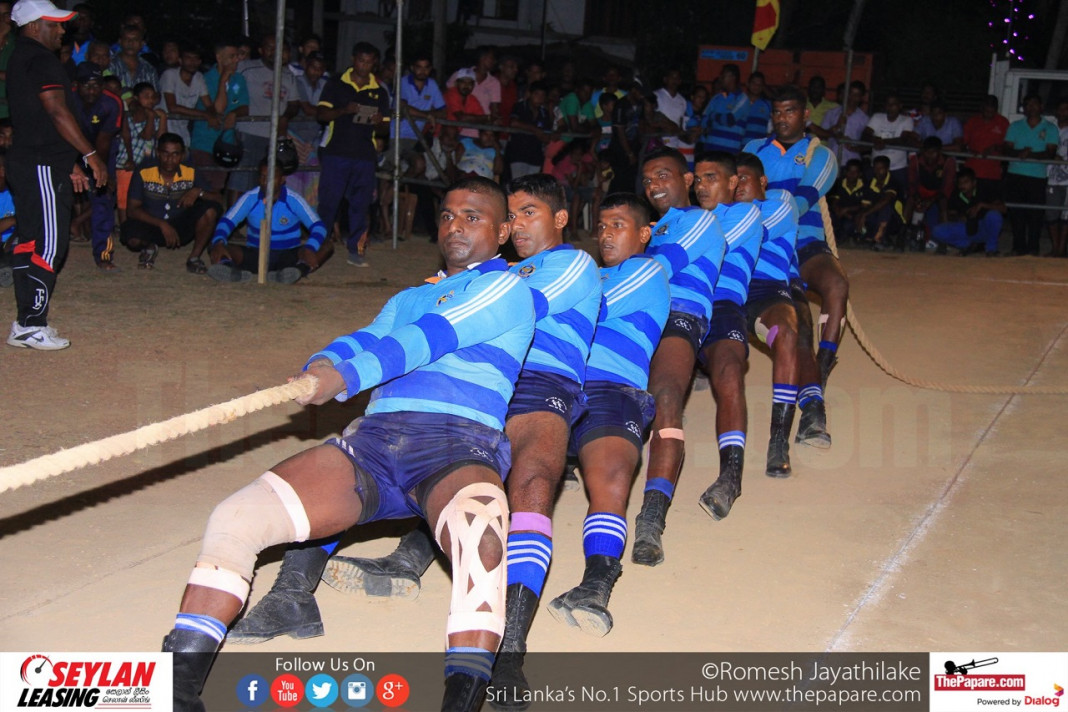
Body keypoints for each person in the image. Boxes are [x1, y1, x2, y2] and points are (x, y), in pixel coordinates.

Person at [162, 176, 535, 712]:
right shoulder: (410, 295)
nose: (456, 225)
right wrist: (322, 363)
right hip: (374, 442)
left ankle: (462, 699)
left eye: (473, 217)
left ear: (502, 231)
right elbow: (368, 336)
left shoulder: (507, 288)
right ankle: (178, 686)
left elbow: (425, 340)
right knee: (236, 516)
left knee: (480, 533)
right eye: (449, 215)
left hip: (457, 444)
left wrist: (347, 378)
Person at [546, 192, 670, 635]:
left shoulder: (646, 271)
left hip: (610, 387)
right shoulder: (589, 274)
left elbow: (585, 311)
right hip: (556, 386)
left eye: (618, 224)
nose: (605, 233)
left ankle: (596, 583)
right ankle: (412, 554)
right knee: (478, 458)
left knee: (611, 476)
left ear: (643, 234)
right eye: (601, 226)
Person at [630, 146, 726, 566]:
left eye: (663, 175)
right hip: (636, 315)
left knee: (666, 397)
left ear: (687, 180)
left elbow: (657, 271)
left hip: (679, 315)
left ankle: (652, 519)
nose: (654, 186)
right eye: (648, 180)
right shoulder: (647, 229)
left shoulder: (699, 220)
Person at [744, 85, 842, 448]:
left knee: (836, 286)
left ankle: (823, 366)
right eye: (777, 112)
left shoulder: (821, 155)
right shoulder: (753, 150)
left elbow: (800, 202)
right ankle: (811, 399)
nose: (782, 119)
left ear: (805, 116)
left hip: (805, 241)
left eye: (789, 112)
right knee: (795, 318)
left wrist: (760, 219)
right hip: (765, 247)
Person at [6, 0, 106, 350]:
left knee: (31, 241)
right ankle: (32, 323)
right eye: (56, 24)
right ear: (35, 26)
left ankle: (25, 323)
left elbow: (40, 123)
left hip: (31, 160)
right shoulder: (41, 59)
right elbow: (56, 111)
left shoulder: (21, 56)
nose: (63, 31)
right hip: (42, 165)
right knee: (50, 245)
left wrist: (70, 162)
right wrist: (90, 155)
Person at [688, 152, 766, 499]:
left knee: (730, 371)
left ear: (734, 183)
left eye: (711, 177)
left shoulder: (744, 213)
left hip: (721, 305)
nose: (702, 185)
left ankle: (730, 475)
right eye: (698, 178)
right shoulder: (686, 218)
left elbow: (706, 245)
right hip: (683, 307)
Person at [730, 151, 804, 494]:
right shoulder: (720, 213)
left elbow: (747, 232)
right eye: (731, 179)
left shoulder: (779, 206)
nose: (736, 184)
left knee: (785, 334)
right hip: (726, 297)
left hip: (764, 296)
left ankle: (779, 440)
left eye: (743, 177)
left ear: (762, 182)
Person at [316, 41, 389, 267]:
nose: (364, 66)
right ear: (353, 60)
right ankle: (318, 246)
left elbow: (386, 129)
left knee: (361, 204)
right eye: (361, 61)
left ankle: (355, 249)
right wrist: (343, 111)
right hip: (336, 152)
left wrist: (378, 123)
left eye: (369, 62)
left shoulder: (379, 90)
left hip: (364, 154)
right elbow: (321, 114)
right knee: (329, 202)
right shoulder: (336, 84)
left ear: (374, 64)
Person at [207, 160, 333, 283]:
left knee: (326, 246)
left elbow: (318, 226)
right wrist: (218, 242)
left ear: (283, 179)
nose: (266, 181)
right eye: (263, 176)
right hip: (256, 254)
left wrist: (310, 247)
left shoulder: (294, 199)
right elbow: (227, 222)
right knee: (216, 244)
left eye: (272, 177)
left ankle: (297, 270)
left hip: (288, 255)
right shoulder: (250, 198)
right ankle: (231, 271)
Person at [119, 133, 222, 272]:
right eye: (165, 153)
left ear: (182, 155)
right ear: (158, 153)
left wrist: (199, 192)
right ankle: (149, 246)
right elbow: (132, 209)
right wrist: (162, 224)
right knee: (130, 234)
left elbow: (218, 199)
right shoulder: (144, 171)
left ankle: (194, 258)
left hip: (180, 225)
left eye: (175, 154)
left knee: (210, 209)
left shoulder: (190, 171)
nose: (170, 159)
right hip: (152, 224)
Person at [233, 35, 298, 201]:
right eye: (270, 47)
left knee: (267, 184)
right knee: (240, 181)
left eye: (278, 48)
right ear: (261, 50)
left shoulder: (288, 75)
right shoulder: (246, 68)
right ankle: (233, 223)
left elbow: (294, 103)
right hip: (249, 133)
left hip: (275, 138)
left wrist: (286, 117)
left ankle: (260, 222)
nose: (274, 52)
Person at [71, 63, 123, 270]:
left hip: (101, 152)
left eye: (96, 85)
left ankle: (103, 254)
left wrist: (100, 172)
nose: (92, 91)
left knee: (104, 199)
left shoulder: (112, 103)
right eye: (87, 86)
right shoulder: (66, 98)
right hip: (68, 150)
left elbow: (104, 140)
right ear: (77, 85)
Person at [189, 39, 249, 194]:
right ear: (219, 58)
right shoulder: (204, 79)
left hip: (226, 143)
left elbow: (244, 106)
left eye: (238, 56)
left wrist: (234, 113)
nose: (237, 60)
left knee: (217, 188)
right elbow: (217, 110)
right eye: (232, 56)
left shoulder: (239, 79)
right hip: (204, 142)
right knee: (204, 189)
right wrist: (223, 81)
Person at [1004, 93, 1058, 256]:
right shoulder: (1015, 126)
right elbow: (1006, 149)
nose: (1031, 107)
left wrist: (1028, 154)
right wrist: (1020, 152)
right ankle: (1018, 247)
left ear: (1041, 107)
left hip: (1037, 177)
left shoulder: (1050, 128)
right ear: (1024, 108)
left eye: (1035, 103)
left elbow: (1050, 153)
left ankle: (1033, 248)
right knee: (1016, 213)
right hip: (1015, 174)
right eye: (1028, 104)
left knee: (1035, 215)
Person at [116, 82, 166, 225]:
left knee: (142, 199)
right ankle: (124, 227)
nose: (150, 100)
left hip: (145, 165)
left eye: (152, 97)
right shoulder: (133, 115)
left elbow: (162, 139)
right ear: (136, 98)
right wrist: (151, 117)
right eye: (146, 97)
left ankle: (136, 227)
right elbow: (147, 135)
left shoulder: (154, 115)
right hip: (127, 164)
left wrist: (163, 119)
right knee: (124, 199)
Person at [931, 167, 1006, 257]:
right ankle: (969, 245)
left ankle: (991, 249)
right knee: (937, 231)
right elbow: (950, 214)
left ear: (974, 182)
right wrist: (960, 217)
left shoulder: (984, 189)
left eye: (966, 182)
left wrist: (982, 205)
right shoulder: (956, 194)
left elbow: (1003, 209)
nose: (962, 185)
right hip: (967, 227)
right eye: (960, 183)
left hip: (984, 227)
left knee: (994, 216)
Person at [902, 136, 956, 250]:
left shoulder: (948, 162)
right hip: (921, 192)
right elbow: (911, 184)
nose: (929, 156)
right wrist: (917, 198)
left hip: (938, 194)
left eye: (933, 152)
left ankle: (943, 242)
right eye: (927, 152)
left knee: (943, 204)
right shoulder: (915, 160)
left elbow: (947, 188)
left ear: (939, 152)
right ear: (923, 151)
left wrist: (931, 200)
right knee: (910, 201)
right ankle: (901, 236)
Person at [159, 43, 212, 150]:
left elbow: (209, 104)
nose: (192, 62)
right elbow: (172, 107)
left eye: (195, 59)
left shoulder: (198, 77)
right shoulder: (169, 75)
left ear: (199, 62)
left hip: (182, 131)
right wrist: (205, 114)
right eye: (188, 58)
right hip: (164, 128)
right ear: (180, 60)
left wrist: (213, 114)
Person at [863, 93, 916, 196]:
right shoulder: (877, 117)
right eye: (888, 104)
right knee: (872, 195)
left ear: (900, 106)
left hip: (897, 168)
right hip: (876, 167)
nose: (890, 107)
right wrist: (876, 140)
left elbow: (904, 139)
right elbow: (865, 134)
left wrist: (882, 142)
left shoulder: (906, 120)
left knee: (899, 196)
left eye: (893, 104)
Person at [962, 95, 1009, 200]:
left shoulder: (1003, 122)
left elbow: (1008, 147)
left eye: (991, 111)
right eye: (986, 111)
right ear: (982, 108)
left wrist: (995, 148)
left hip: (992, 173)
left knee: (989, 204)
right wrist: (969, 150)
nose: (989, 114)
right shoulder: (973, 121)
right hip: (972, 172)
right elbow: (962, 143)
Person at [813, 80, 868, 168]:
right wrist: (836, 128)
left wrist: (852, 144)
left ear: (861, 98)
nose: (852, 98)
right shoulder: (832, 113)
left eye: (856, 95)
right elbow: (821, 136)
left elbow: (866, 143)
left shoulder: (864, 118)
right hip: (832, 160)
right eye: (851, 94)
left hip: (852, 163)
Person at [505, 80, 552, 179]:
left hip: (535, 156)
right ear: (530, 94)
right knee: (517, 187)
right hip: (518, 154)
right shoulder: (520, 106)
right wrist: (535, 130)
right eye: (537, 94)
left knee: (530, 189)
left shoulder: (544, 113)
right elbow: (514, 123)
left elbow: (546, 134)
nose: (539, 98)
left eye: (542, 95)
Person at [857, 155, 904, 250]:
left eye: (881, 168)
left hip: (894, 220)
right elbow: (865, 205)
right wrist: (861, 217)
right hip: (875, 217)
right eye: (875, 168)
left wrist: (865, 214)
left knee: (886, 208)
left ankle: (879, 238)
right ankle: (869, 236)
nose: (878, 171)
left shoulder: (893, 182)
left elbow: (886, 200)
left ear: (887, 169)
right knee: (862, 215)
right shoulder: (870, 183)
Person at [704, 63, 748, 154]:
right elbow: (704, 119)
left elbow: (729, 120)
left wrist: (713, 116)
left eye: (723, 75)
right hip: (710, 148)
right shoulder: (717, 98)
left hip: (730, 152)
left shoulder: (743, 99)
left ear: (732, 77)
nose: (720, 78)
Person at [107, 23, 158, 96]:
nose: (130, 43)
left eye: (135, 39)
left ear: (142, 44)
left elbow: (156, 95)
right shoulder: (108, 64)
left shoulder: (149, 69)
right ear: (120, 41)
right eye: (127, 39)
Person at [1045, 98, 1068, 258]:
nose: (1063, 112)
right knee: (1052, 214)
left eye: (1066, 109)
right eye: (1060, 109)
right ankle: (1055, 247)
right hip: (1051, 177)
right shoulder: (1049, 128)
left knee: (1066, 215)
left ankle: (1061, 249)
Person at [742, 71, 771, 143]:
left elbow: (770, 128)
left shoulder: (767, 105)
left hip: (758, 147)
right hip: (740, 147)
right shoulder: (740, 102)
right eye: (754, 83)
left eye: (759, 84)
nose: (756, 87)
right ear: (748, 84)